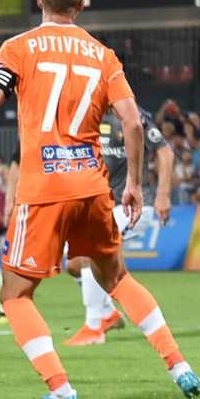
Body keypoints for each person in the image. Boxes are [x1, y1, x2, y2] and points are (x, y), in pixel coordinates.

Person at [0, 0, 200, 399]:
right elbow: (133, 122)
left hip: (43, 188)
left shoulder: (18, 48)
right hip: (94, 186)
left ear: (39, 1)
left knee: (14, 294)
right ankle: (180, 366)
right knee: (117, 278)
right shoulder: (103, 55)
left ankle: (61, 390)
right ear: (81, 4)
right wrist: (135, 184)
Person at [63, 93, 172, 345]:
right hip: (100, 205)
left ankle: (94, 327)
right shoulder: (84, 116)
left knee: (91, 253)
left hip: (131, 205)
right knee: (74, 265)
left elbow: (165, 151)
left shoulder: (132, 113)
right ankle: (108, 314)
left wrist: (163, 194)